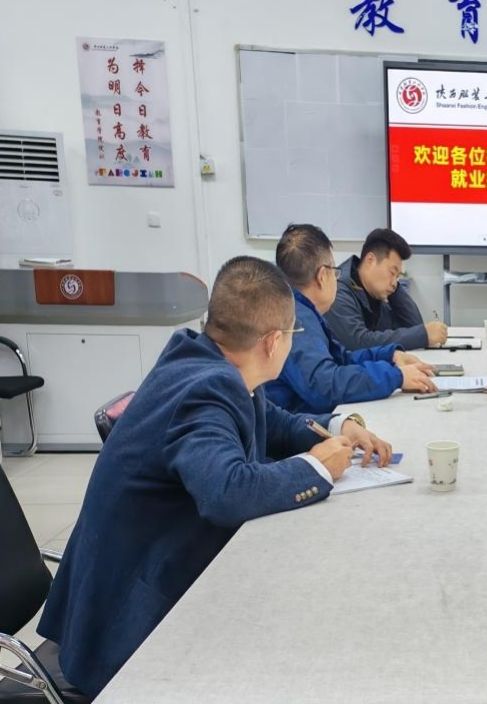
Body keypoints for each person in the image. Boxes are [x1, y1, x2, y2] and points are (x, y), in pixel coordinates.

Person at [37, 256, 395, 697]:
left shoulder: (207, 360)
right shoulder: (207, 388)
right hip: (130, 622)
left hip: (137, 579)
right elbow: (227, 492)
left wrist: (339, 426)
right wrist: (318, 467)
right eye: (292, 334)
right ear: (273, 342)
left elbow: (273, 421)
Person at [265, 223, 436, 414]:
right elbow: (326, 386)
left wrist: (390, 356)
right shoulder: (295, 321)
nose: (336, 278)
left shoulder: (303, 311)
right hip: (299, 425)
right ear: (322, 276)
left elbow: (341, 358)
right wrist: (396, 377)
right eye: (334, 271)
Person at [324, 228, 448, 351]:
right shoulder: (337, 291)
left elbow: (413, 326)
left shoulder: (375, 293)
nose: (394, 283)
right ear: (370, 260)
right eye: (392, 272)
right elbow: (358, 342)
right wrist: (422, 335)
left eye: (397, 276)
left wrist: (394, 286)